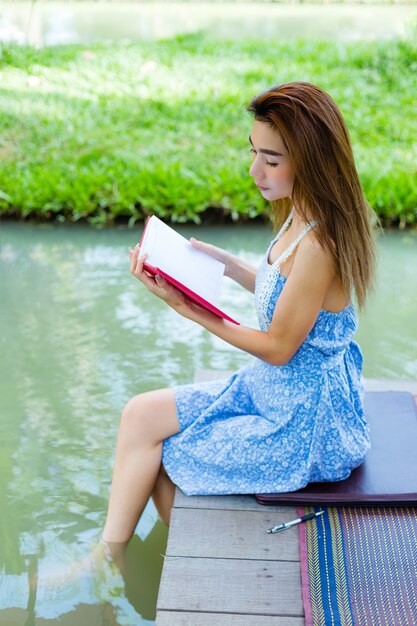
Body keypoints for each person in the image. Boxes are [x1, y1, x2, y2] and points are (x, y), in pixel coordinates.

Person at [103, 81, 377, 546]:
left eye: (271, 161)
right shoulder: (299, 212)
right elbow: (290, 299)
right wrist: (224, 266)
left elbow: (278, 346)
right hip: (268, 389)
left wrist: (190, 309)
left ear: (311, 161)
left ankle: (144, 555)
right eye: (254, 153)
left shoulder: (320, 244)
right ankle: (107, 551)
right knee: (140, 415)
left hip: (303, 420)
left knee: (168, 455)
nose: (255, 170)